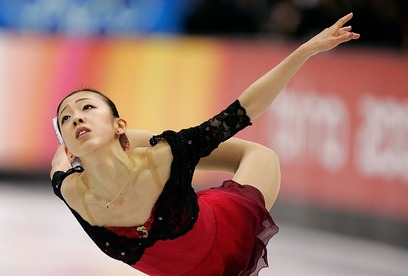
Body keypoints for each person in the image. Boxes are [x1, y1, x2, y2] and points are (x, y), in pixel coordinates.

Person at [51, 13, 359, 276]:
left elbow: (242, 111)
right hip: (134, 155)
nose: (76, 118)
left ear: (119, 124)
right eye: (66, 118)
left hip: (227, 232)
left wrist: (304, 51)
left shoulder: (164, 158)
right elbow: (59, 164)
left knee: (258, 155)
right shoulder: (71, 190)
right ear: (66, 146)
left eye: (87, 108)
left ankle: (139, 139)